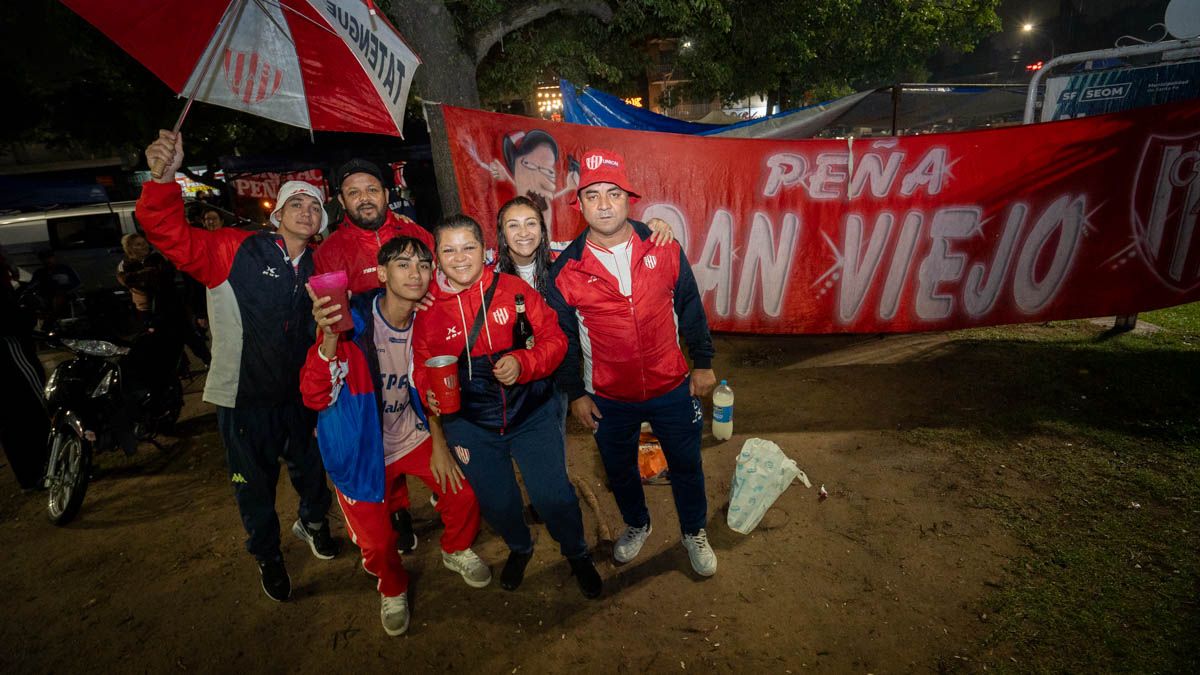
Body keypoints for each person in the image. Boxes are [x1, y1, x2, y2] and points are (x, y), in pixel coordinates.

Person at [137, 130, 339, 603]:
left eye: (315, 208)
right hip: (243, 399)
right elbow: (169, 235)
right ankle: (268, 556)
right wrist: (163, 180)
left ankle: (312, 524)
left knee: (312, 472)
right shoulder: (234, 247)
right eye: (298, 205)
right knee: (255, 487)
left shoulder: (320, 266)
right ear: (280, 213)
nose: (307, 213)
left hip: (300, 397)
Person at [300, 236, 489, 636]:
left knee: (464, 493)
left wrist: (438, 444)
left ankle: (455, 550)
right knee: (380, 543)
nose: (415, 273)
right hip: (361, 450)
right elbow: (315, 394)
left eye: (423, 264)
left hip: (411, 435)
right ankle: (393, 587)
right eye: (402, 265)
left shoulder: (428, 322)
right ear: (381, 273)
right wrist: (329, 335)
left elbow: (432, 391)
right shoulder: (351, 325)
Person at [547, 149, 720, 577]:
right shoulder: (566, 270)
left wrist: (702, 360)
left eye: (613, 193)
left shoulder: (663, 245)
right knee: (620, 469)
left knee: (687, 464)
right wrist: (576, 395)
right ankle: (637, 523)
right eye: (592, 195)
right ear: (579, 204)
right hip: (609, 397)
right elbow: (565, 341)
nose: (604, 204)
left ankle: (694, 530)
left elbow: (690, 306)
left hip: (671, 386)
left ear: (629, 198)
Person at [412, 215, 603, 599]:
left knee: (553, 497)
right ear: (437, 257)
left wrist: (525, 363)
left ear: (484, 250)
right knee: (497, 503)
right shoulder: (427, 309)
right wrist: (428, 392)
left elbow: (555, 339)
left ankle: (576, 552)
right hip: (471, 424)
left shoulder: (512, 289)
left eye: (468, 247)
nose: (460, 257)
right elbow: (421, 366)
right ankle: (520, 547)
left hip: (531, 412)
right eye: (449, 250)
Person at [314, 158, 435, 553]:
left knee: (414, 421)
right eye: (353, 192)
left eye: (371, 190)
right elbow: (331, 317)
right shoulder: (331, 250)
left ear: (386, 193)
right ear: (341, 201)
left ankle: (413, 499)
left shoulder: (417, 234)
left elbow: (439, 283)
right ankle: (394, 510)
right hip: (363, 363)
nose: (364, 199)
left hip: (415, 353)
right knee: (377, 430)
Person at [0, 245, 50, 490]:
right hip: (9, 350)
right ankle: (45, 469)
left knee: (11, 421)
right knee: (35, 405)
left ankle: (30, 477)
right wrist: (28, 312)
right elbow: (10, 320)